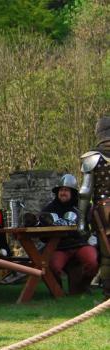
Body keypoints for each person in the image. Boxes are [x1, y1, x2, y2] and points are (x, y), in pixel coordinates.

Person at [42, 174, 98, 294]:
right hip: (59, 247)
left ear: (72, 192)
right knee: (52, 266)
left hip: (79, 244)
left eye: (66, 190)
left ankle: (83, 287)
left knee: (93, 261)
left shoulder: (82, 207)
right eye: (61, 190)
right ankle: (58, 290)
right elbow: (42, 234)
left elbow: (93, 222)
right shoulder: (49, 208)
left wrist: (93, 236)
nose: (63, 193)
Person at [78, 115, 110, 298]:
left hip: (104, 211)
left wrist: (81, 221)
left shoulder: (94, 158)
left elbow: (85, 191)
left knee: (107, 256)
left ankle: (108, 295)